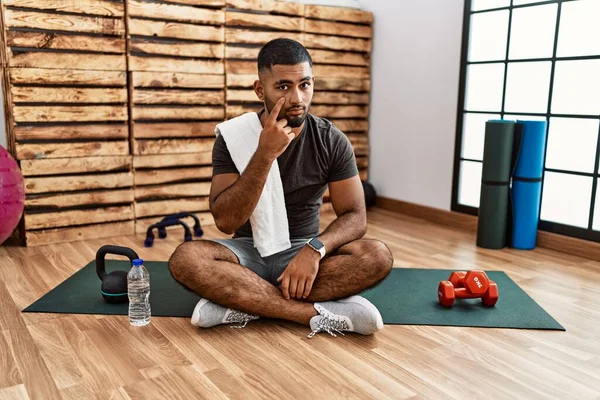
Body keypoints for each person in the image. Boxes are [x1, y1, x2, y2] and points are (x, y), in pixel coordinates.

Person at [168, 38, 393, 338]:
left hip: (303, 250)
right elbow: (225, 221)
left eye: (305, 84)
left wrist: (315, 250)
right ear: (260, 90)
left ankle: (244, 301)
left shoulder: (330, 140)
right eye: (283, 87)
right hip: (247, 254)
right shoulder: (233, 136)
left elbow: (355, 216)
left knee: (376, 255)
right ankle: (311, 314)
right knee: (187, 259)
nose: (298, 97)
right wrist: (264, 155)